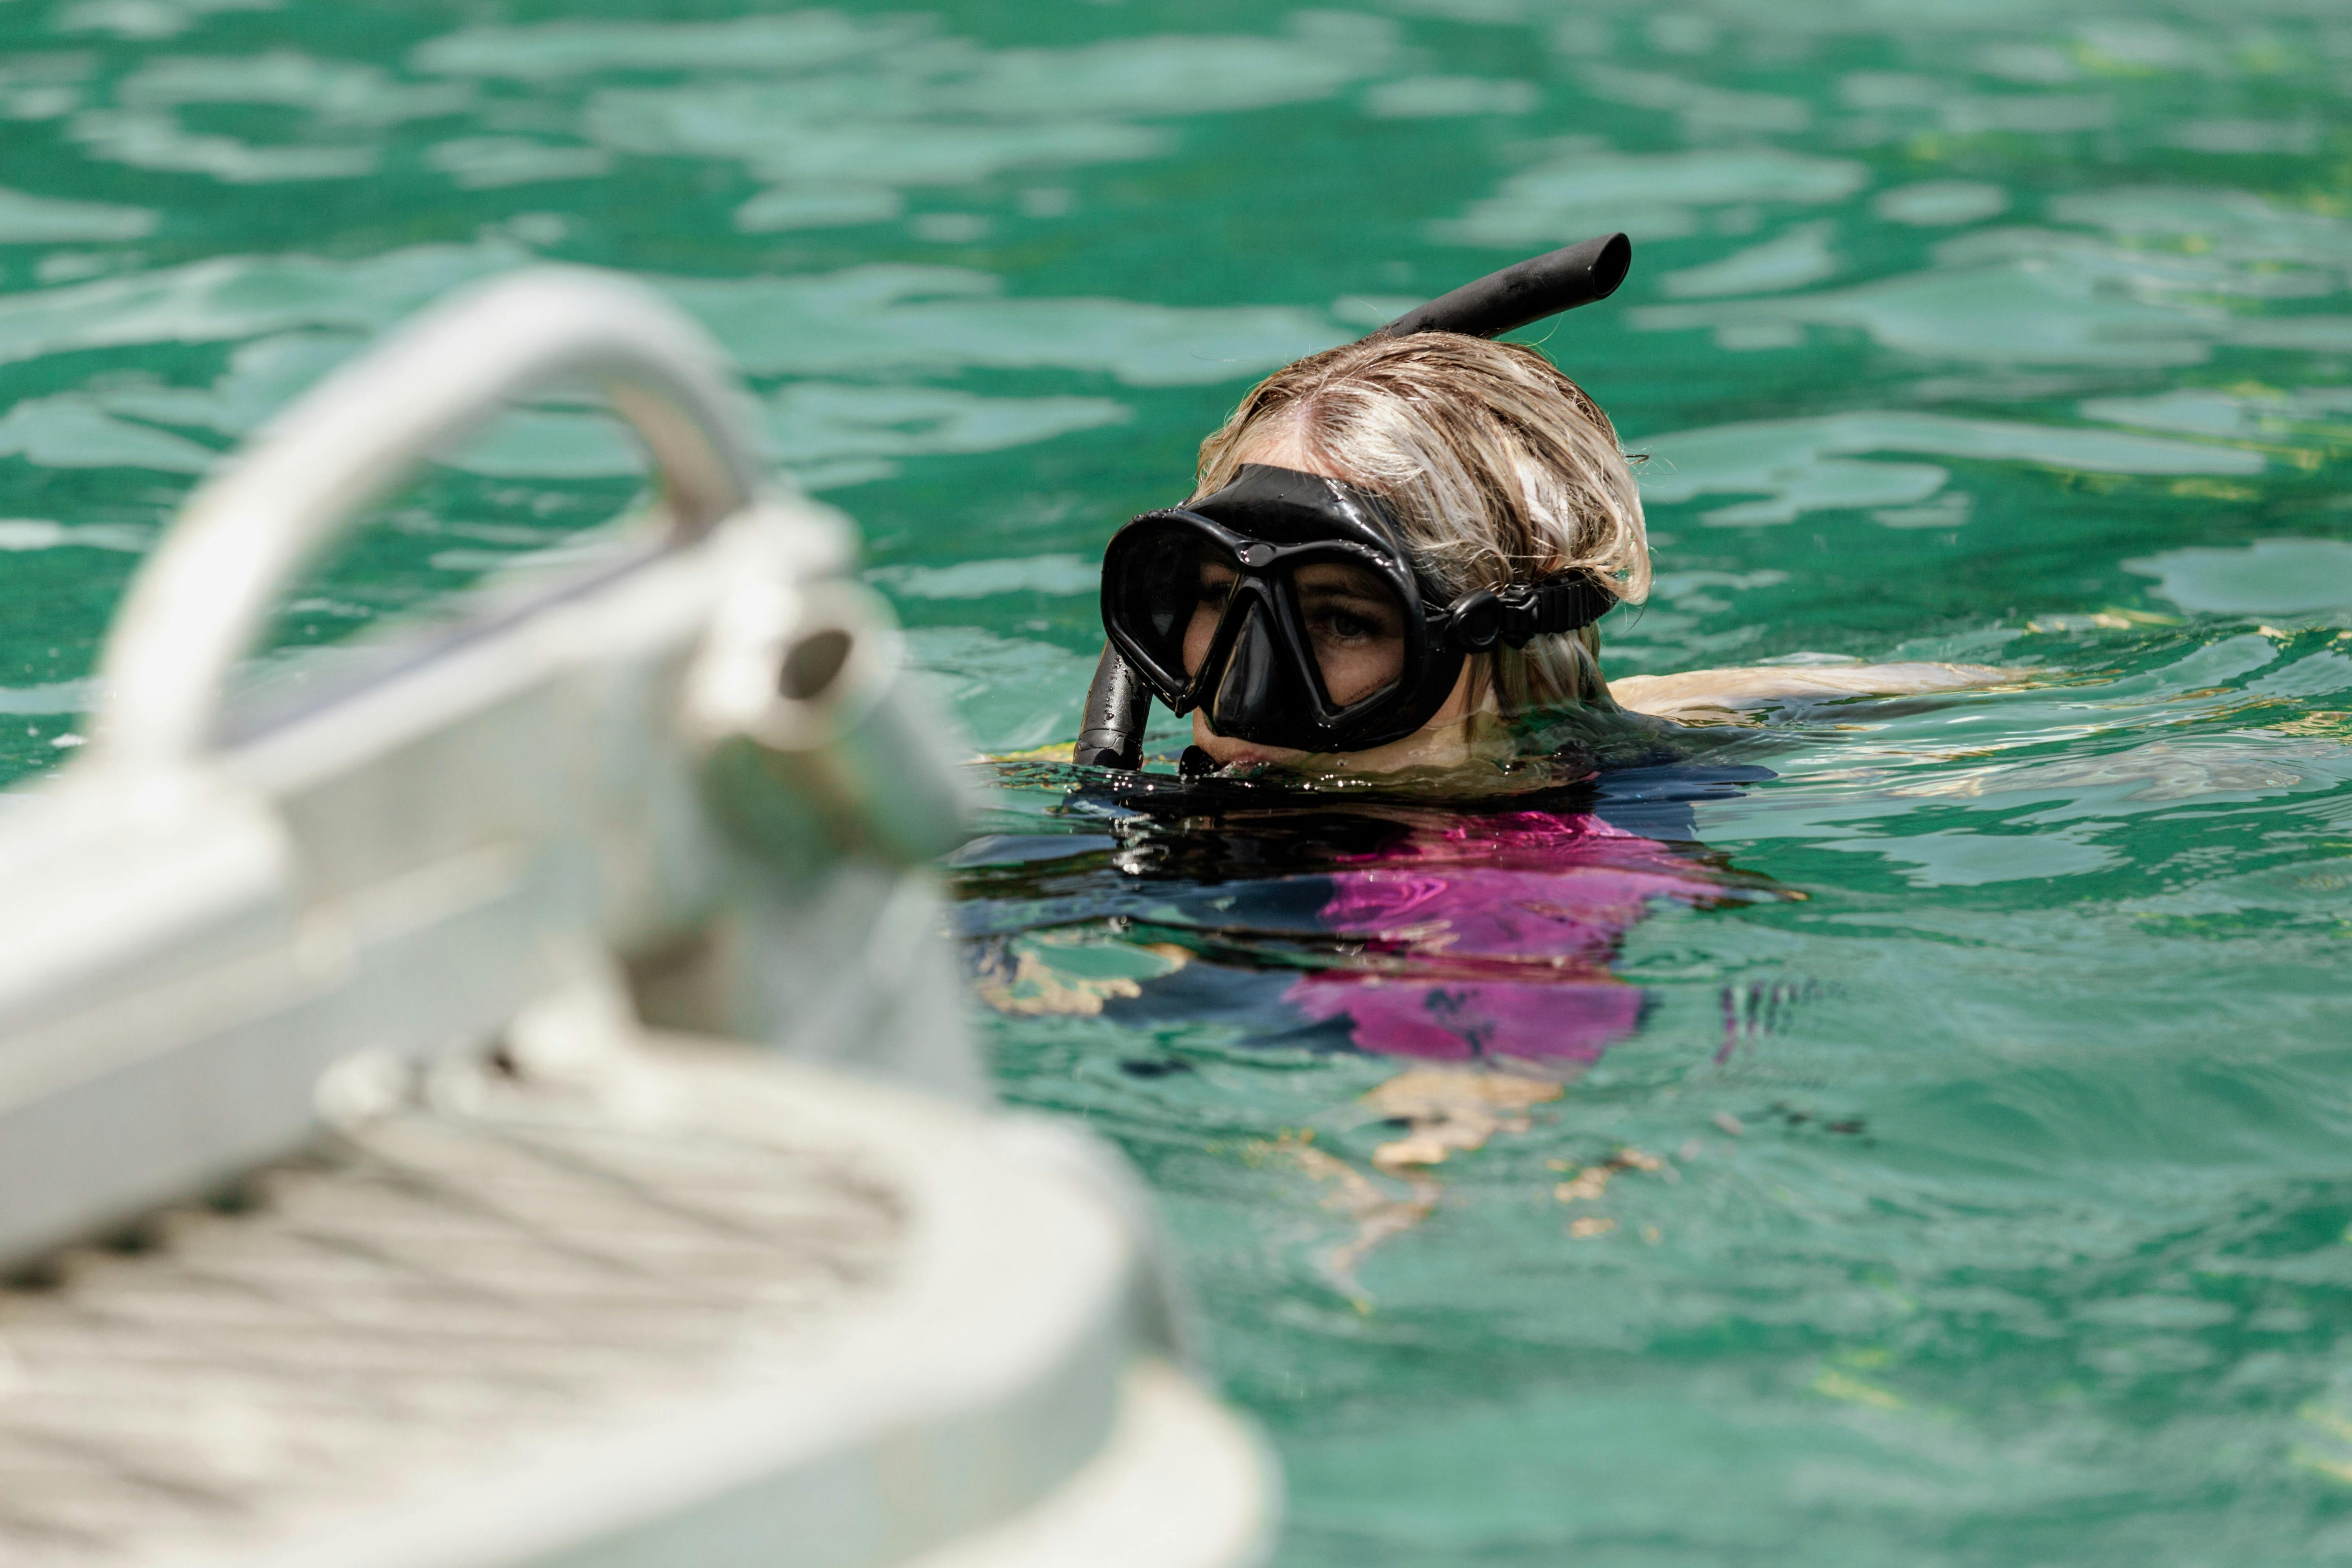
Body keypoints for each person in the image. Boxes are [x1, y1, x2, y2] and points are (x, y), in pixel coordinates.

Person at [1091, 329, 1996, 782]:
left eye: (1340, 618)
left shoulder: (1536, 872)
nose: (1240, 689)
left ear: (1501, 635)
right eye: (1215, 596)